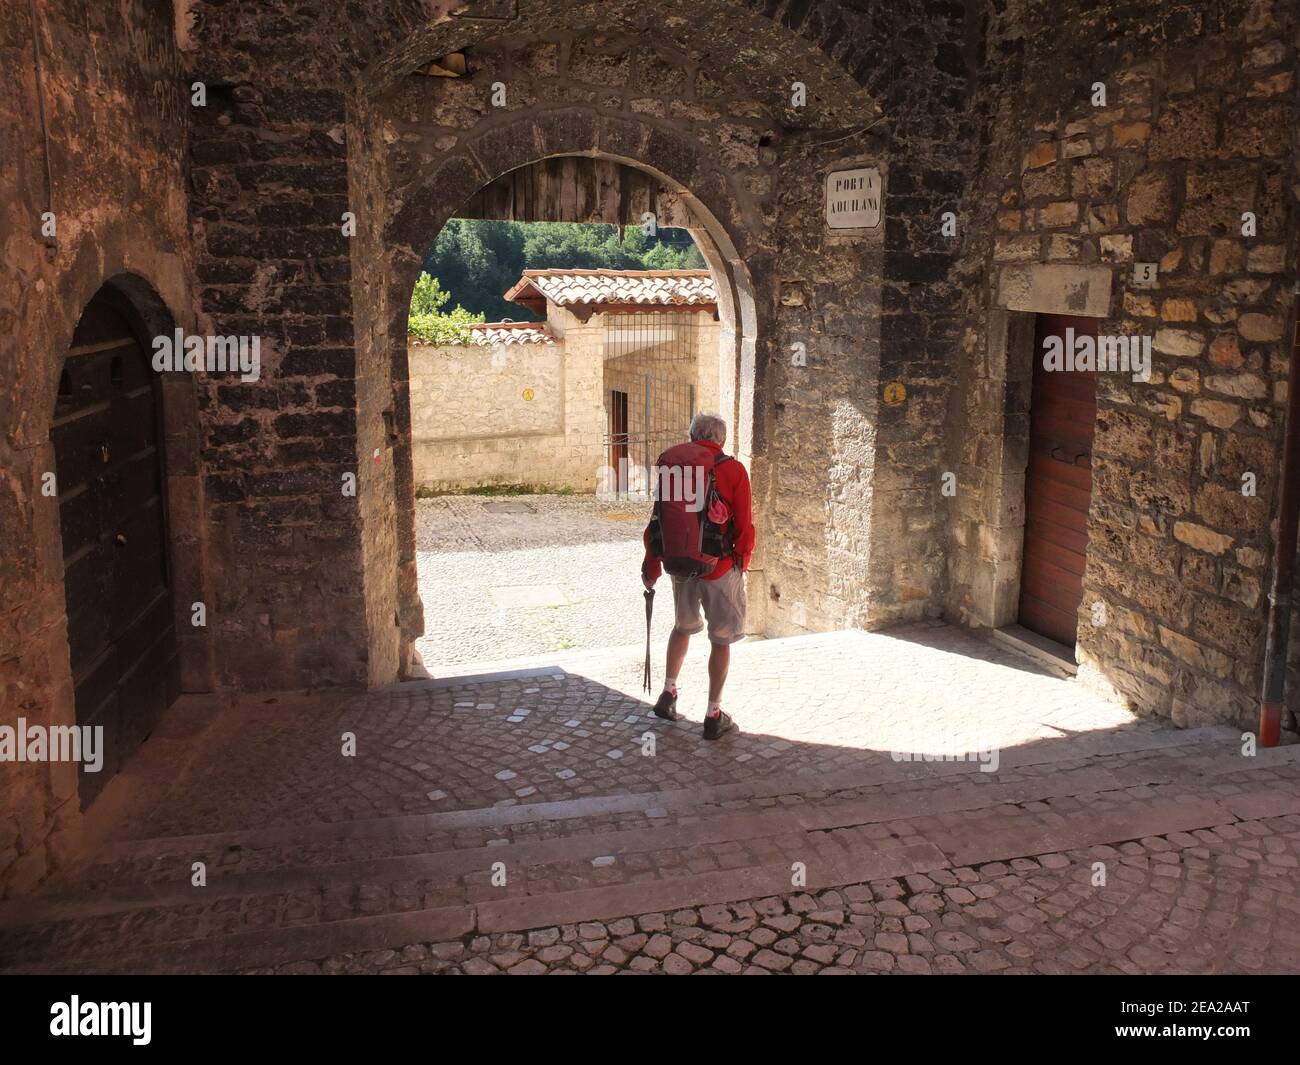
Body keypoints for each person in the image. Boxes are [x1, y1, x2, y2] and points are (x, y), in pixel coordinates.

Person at [641, 412, 754, 739]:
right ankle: (713, 714)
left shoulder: (675, 467)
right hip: (719, 567)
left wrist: (652, 562)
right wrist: (741, 564)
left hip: (680, 563)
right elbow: (745, 527)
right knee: (721, 639)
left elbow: (658, 520)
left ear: (692, 437)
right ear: (721, 440)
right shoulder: (732, 470)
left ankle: (668, 693)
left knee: (682, 627)